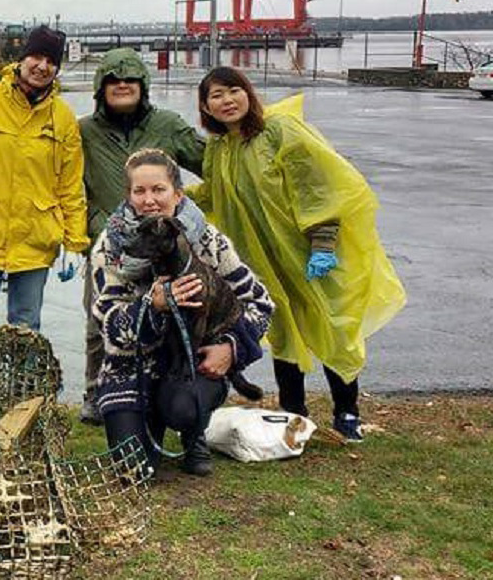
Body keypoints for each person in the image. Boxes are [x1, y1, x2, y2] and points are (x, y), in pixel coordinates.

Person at [190, 67, 406, 442]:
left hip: (308, 252)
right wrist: (172, 200)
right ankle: (294, 412)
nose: (226, 101)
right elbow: (212, 195)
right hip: (264, 261)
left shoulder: (280, 130)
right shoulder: (219, 147)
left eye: (233, 91)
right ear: (206, 106)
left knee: (333, 327)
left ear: (248, 93)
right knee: (283, 330)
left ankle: (347, 413)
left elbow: (320, 185)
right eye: (216, 96)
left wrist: (322, 243)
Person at [91, 149, 274, 476]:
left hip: (191, 363)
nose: (149, 199)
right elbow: (111, 328)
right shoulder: (112, 247)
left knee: (183, 407)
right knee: (134, 471)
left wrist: (230, 348)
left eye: (158, 189)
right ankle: (147, 421)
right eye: (140, 191)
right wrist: (154, 305)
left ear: (177, 193)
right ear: (129, 195)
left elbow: (260, 304)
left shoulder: (208, 241)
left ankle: (193, 432)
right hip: (131, 368)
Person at [78, 47, 205, 425]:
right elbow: (57, 179)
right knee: (101, 321)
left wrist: (191, 212)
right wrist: (85, 225)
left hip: (164, 247)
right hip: (108, 244)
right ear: (101, 87)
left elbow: (213, 163)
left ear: (142, 85)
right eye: (113, 81)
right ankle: (94, 392)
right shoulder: (83, 132)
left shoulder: (167, 124)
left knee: (171, 320)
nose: (122, 86)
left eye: (130, 80)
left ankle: (166, 393)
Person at [0, 25, 89, 331]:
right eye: (36, 57)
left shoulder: (63, 118)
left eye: (51, 61)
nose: (42, 66)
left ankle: (21, 383)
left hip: (34, 241)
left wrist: (75, 243)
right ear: (22, 59)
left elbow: (70, 186)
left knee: (25, 331)